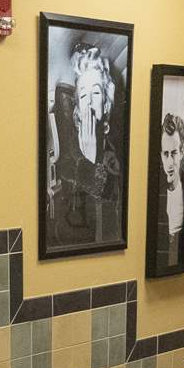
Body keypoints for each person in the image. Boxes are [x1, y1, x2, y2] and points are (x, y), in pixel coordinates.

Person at [47, 41, 123, 249]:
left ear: (106, 103)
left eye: (96, 93)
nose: (89, 101)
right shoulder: (69, 157)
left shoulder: (114, 152)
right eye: (83, 95)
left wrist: (95, 158)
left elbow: (111, 223)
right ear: (77, 109)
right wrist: (88, 160)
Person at [157, 111, 184, 268]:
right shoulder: (155, 190)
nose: (169, 162)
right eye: (165, 154)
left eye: (174, 153)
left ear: (182, 152)